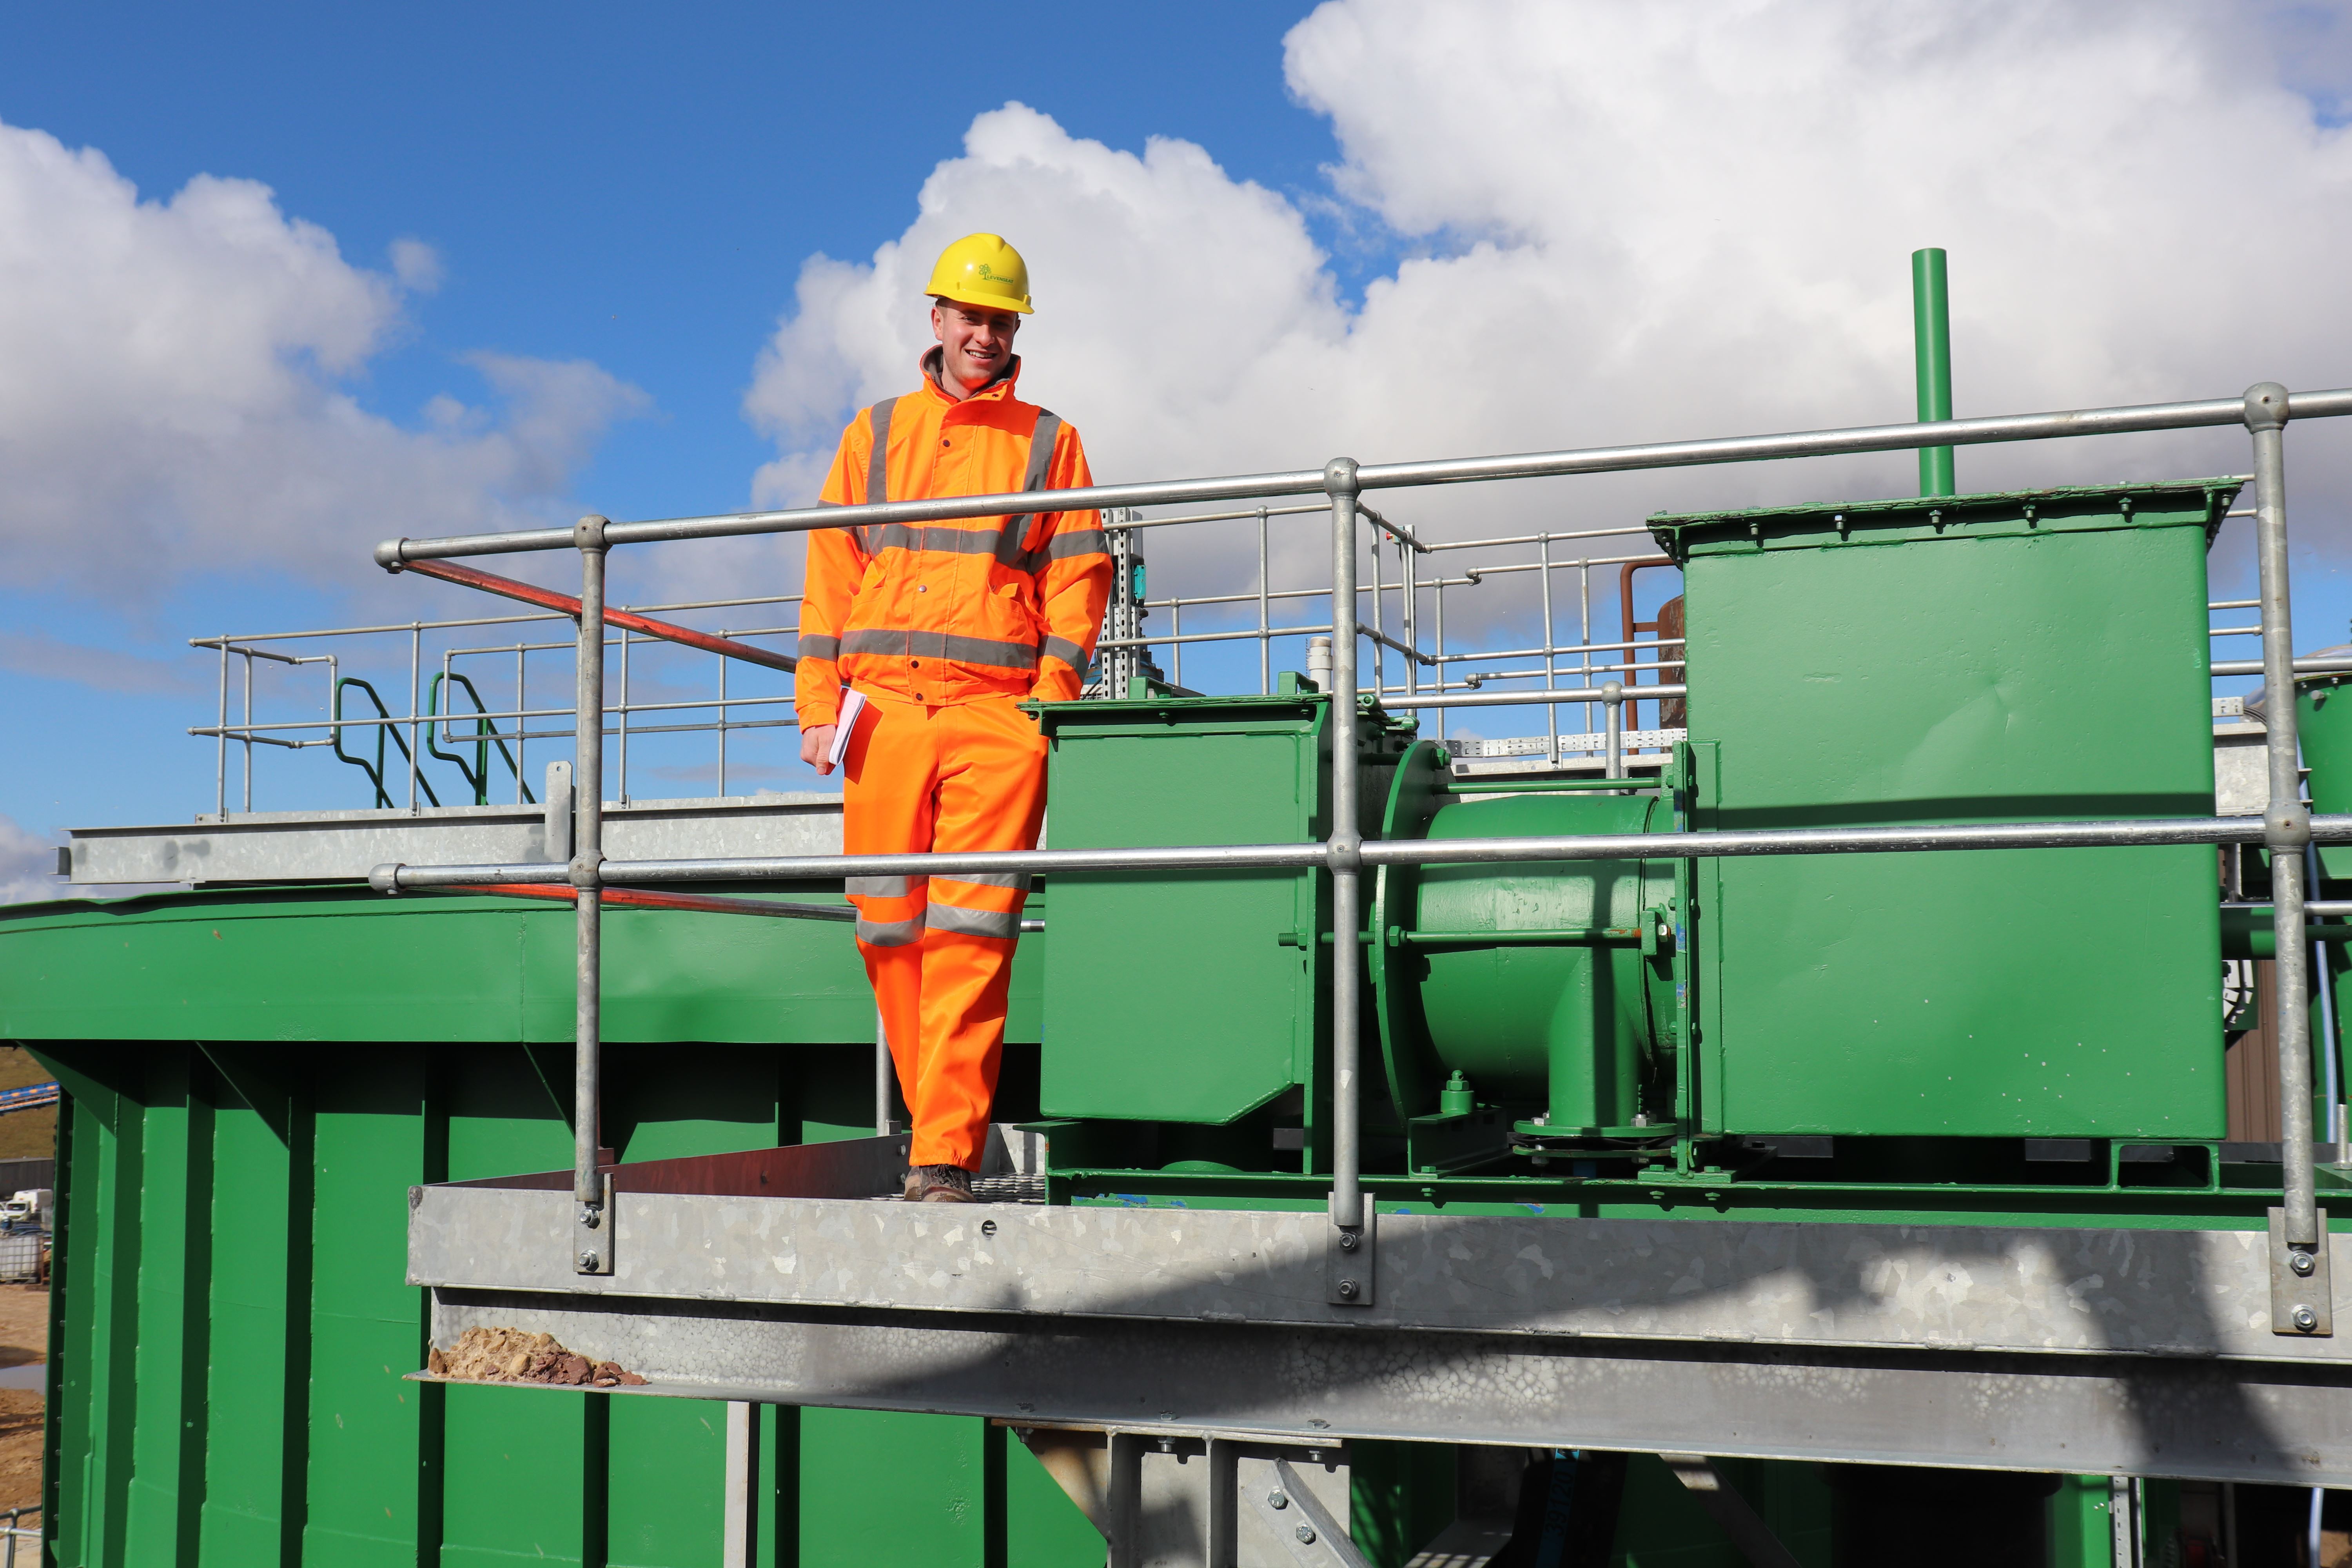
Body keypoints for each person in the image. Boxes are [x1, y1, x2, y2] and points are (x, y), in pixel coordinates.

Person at [794, 234, 1112, 1202]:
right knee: (887, 929)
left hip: (995, 720)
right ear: (935, 319)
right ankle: (941, 1119)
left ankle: (942, 1153)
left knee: (974, 934)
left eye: (1001, 318)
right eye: (970, 314)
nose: (985, 332)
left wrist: (1044, 710)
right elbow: (830, 567)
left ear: (1017, 328)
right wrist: (817, 706)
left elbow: (1080, 576)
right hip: (880, 715)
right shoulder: (875, 430)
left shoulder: (1053, 440)